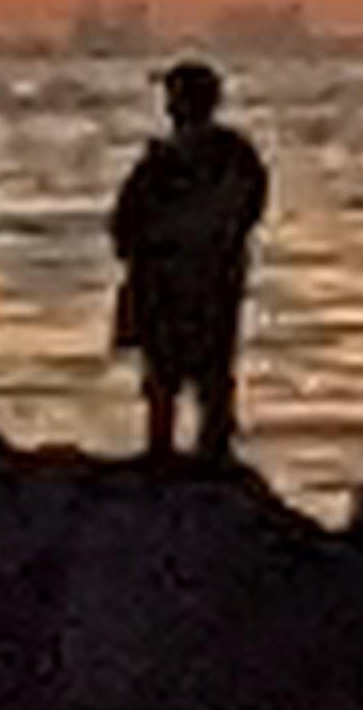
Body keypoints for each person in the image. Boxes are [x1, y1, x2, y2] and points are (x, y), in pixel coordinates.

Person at [109, 58, 269, 464]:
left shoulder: (163, 162)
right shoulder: (237, 156)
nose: (168, 105)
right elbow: (249, 213)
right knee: (212, 377)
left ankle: (165, 460)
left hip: (168, 283)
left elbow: (124, 227)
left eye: (172, 97)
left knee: (165, 380)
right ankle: (212, 458)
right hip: (213, 282)